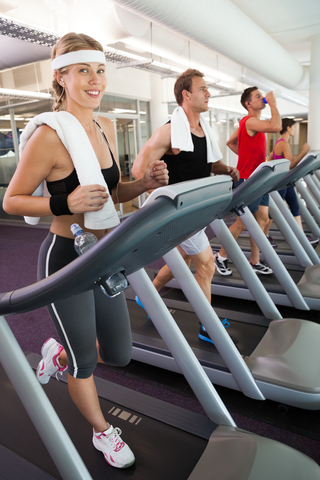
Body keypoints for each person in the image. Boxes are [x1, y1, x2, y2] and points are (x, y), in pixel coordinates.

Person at [3, 32, 169, 470]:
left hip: (107, 253)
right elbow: (12, 200)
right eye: (83, 70)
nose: (95, 80)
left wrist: (144, 185)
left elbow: (113, 193)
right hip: (66, 257)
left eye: (99, 69)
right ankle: (102, 432)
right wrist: (66, 202)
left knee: (119, 354)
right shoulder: (48, 134)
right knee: (86, 361)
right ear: (61, 76)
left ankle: (54, 351)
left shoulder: (105, 125)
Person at [132, 68, 239, 344]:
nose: (208, 93)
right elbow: (138, 170)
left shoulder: (202, 130)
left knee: (184, 258)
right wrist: (158, 181)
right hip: (178, 212)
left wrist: (225, 169)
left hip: (197, 208)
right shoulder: (169, 132)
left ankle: (148, 295)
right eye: (202, 89)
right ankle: (207, 326)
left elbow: (206, 161)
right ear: (186, 94)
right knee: (206, 265)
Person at [214, 87, 282, 276]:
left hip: (259, 178)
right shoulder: (251, 121)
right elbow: (276, 126)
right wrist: (274, 104)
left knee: (262, 220)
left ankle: (255, 260)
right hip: (248, 180)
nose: (263, 99)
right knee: (242, 223)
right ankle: (220, 257)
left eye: (263, 96)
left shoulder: (250, 123)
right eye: (258, 97)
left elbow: (231, 142)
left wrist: (245, 155)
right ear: (248, 104)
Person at [265, 117, 317, 244]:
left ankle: (301, 238)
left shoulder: (279, 143)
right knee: (274, 211)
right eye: (293, 127)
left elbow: (270, 159)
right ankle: (264, 235)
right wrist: (304, 152)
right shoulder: (284, 143)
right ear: (288, 128)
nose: (294, 129)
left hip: (285, 180)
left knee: (294, 206)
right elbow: (291, 164)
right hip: (282, 182)